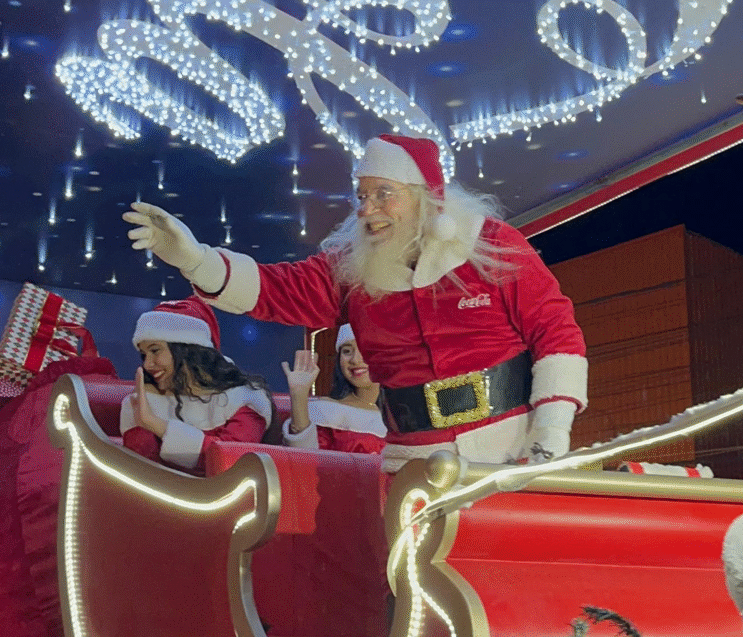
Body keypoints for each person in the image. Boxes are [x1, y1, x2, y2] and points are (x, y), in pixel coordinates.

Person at [123, 134, 587, 470]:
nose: (367, 208)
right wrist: (195, 259)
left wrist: (551, 431)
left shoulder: (488, 245)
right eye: (362, 195)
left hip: (510, 449)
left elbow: (555, 331)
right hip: (412, 463)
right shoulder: (352, 272)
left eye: (385, 193)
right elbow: (274, 290)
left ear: (425, 197)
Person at [120, 296, 275, 473]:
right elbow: (141, 474)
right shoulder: (145, 401)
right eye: (144, 355)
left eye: (155, 351)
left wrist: (156, 424)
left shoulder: (245, 399)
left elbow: (232, 463)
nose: (147, 364)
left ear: (188, 349)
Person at [282, 324, 387, 454]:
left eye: (365, 348)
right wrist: (298, 396)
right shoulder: (325, 411)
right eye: (347, 351)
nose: (355, 359)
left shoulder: (401, 417)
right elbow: (304, 460)